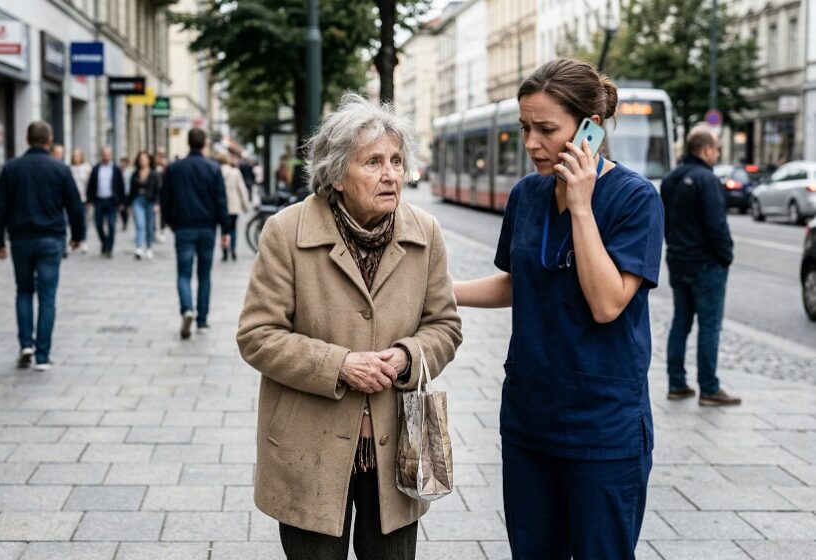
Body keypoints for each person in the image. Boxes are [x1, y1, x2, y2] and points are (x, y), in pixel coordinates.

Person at [236, 93, 462, 560]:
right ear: (337, 175)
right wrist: (339, 365)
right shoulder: (286, 232)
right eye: (374, 162)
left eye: (397, 161)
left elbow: (445, 325)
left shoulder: (426, 232)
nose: (391, 174)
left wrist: (406, 356)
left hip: (396, 450)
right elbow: (257, 335)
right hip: (309, 448)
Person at [453, 58, 663, 559]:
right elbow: (516, 282)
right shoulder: (527, 195)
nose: (531, 143)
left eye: (546, 129)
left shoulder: (635, 199)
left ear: (589, 128)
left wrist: (582, 205)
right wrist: (440, 291)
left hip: (603, 427)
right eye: (525, 127)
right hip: (530, 419)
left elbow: (608, 303)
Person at [0, 121, 85, 371]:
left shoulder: (11, 168)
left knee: (23, 291)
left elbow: (0, 206)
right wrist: (78, 235)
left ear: (26, 139)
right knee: (47, 296)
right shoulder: (60, 169)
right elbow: (74, 205)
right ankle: (42, 356)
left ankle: (25, 345)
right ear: (49, 140)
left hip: (21, 239)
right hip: (50, 239)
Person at [661, 125, 740, 406]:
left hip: (678, 261)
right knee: (709, 326)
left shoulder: (671, 179)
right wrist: (726, 256)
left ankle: (676, 383)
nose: (717, 154)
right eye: (716, 149)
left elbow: (664, 221)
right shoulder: (707, 179)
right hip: (706, 264)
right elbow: (716, 225)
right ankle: (709, 387)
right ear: (705, 150)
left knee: (680, 323)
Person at [160, 128, 230, 339]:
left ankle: (187, 308)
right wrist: (225, 230)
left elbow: (165, 199)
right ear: (204, 144)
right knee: (204, 275)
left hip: (183, 227)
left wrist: (170, 222)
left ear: (188, 143)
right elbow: (221, 201)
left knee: (183, 273)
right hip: (207, 228)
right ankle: (201, 321)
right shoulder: (213, 168)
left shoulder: (174, 168)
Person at [87, 146, 125, 258]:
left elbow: (120, 186)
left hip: (112, 201)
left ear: (111, 155)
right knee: (98, 224)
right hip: (99, 200)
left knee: (112, 224)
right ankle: (104, 242)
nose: (106, 157)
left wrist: (122, 202)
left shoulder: (116, 169)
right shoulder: (96, 168)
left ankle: (109, 248)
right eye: (104, 154)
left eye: (108, 154)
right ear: (101, 155)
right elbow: (91, 185)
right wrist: (90, 199)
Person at [215, 152, 250, 261]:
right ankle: (233, 248)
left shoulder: (216, 172)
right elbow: (242, 189)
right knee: (233, 228)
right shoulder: (235, 172)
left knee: (223, 229)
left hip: (221, 206)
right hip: (234, 206)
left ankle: (225, 251)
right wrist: (246, 205)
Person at [126, 151, 160, 260]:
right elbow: (131, 191)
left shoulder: (154, 174)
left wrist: (157, 204)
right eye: (141, 160)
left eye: (145, 159)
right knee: (140, 225)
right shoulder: (135, 174)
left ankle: (149, 248)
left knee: (149, 226)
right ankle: (139, 247)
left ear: (149, 160)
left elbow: (159, 190)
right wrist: (129, 204)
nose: (143, 162)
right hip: (137, 200)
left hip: (150, 201)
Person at [69, 148, 92, 253]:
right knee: (73, 221)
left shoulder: (87, 168)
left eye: (78, 155)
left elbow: (90, 184)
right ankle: (74, 240)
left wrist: (90, 198)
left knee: (82, 220)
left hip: (84, 197)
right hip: (72, 198)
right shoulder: (69, 168)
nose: (76, 158)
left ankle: (83, 240)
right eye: (74, 156)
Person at [119, 156, 133, 231]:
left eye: (124, 162)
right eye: (122, 162)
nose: (123, 163)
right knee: (121, 209)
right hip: (120, 193)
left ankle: (125, 223)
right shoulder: (119, 170)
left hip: (128, 192)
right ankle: (124, 221)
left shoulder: (130, 171)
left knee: (126, 208)